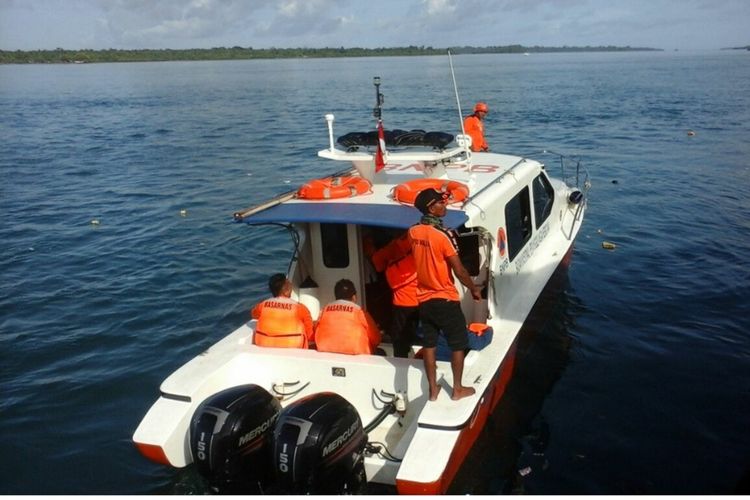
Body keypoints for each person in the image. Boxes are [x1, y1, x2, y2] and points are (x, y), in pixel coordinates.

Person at [408, 188, 482, 401]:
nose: (445, 205)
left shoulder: (413, 232)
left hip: (424, 299)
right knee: (458, 344)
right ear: (431, 207)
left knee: (429, 345)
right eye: (441, 203)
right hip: (445, 299)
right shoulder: (444, 235)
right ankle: (457, 389)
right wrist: (474, 289)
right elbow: (459, 270)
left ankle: (433, 391)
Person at [370, 232, 419, 358]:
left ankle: (401, 360)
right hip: (423, 299)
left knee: (400, 339)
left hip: (403, 303)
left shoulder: (389, 250)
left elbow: (377, 264)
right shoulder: (417, 243)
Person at [315, 279, 382, 355]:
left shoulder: (324, 310)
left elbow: (315, 329)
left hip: (326, 353)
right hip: (357, 357)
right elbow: (376, 339)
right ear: (354, 297)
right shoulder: (359, 312)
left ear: (336, 296)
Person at [251, 273, 314, 348]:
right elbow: (310, 335)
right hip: (293, 348)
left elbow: (254, 314)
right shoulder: (301, 308)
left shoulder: (262, 305)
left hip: (263, 345)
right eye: (289, 284)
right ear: (286, 290)